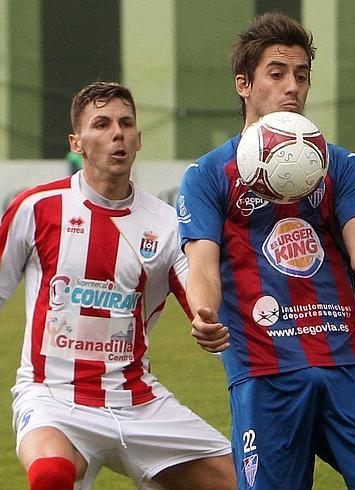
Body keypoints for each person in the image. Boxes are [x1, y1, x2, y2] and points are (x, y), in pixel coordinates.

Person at [177, 12, 355, 490]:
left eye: (301, 75)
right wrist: (203, 310)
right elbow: (203, 266)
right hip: (265, 370)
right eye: (277, 74)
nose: (292, 86)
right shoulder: (208, 174)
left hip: (347, 360)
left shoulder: (342, 164)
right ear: (244, 85)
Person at [0, 81, 236, 490]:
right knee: (52, 474)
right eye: (102, 123)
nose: (117, 133)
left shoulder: (167, 224)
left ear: (139, 139)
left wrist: (206, 318)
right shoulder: (36, 208)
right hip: (53, 398)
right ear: (77, 141)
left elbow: (197, 288)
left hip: (138, 402)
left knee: (248, 481)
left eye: (126, 123)